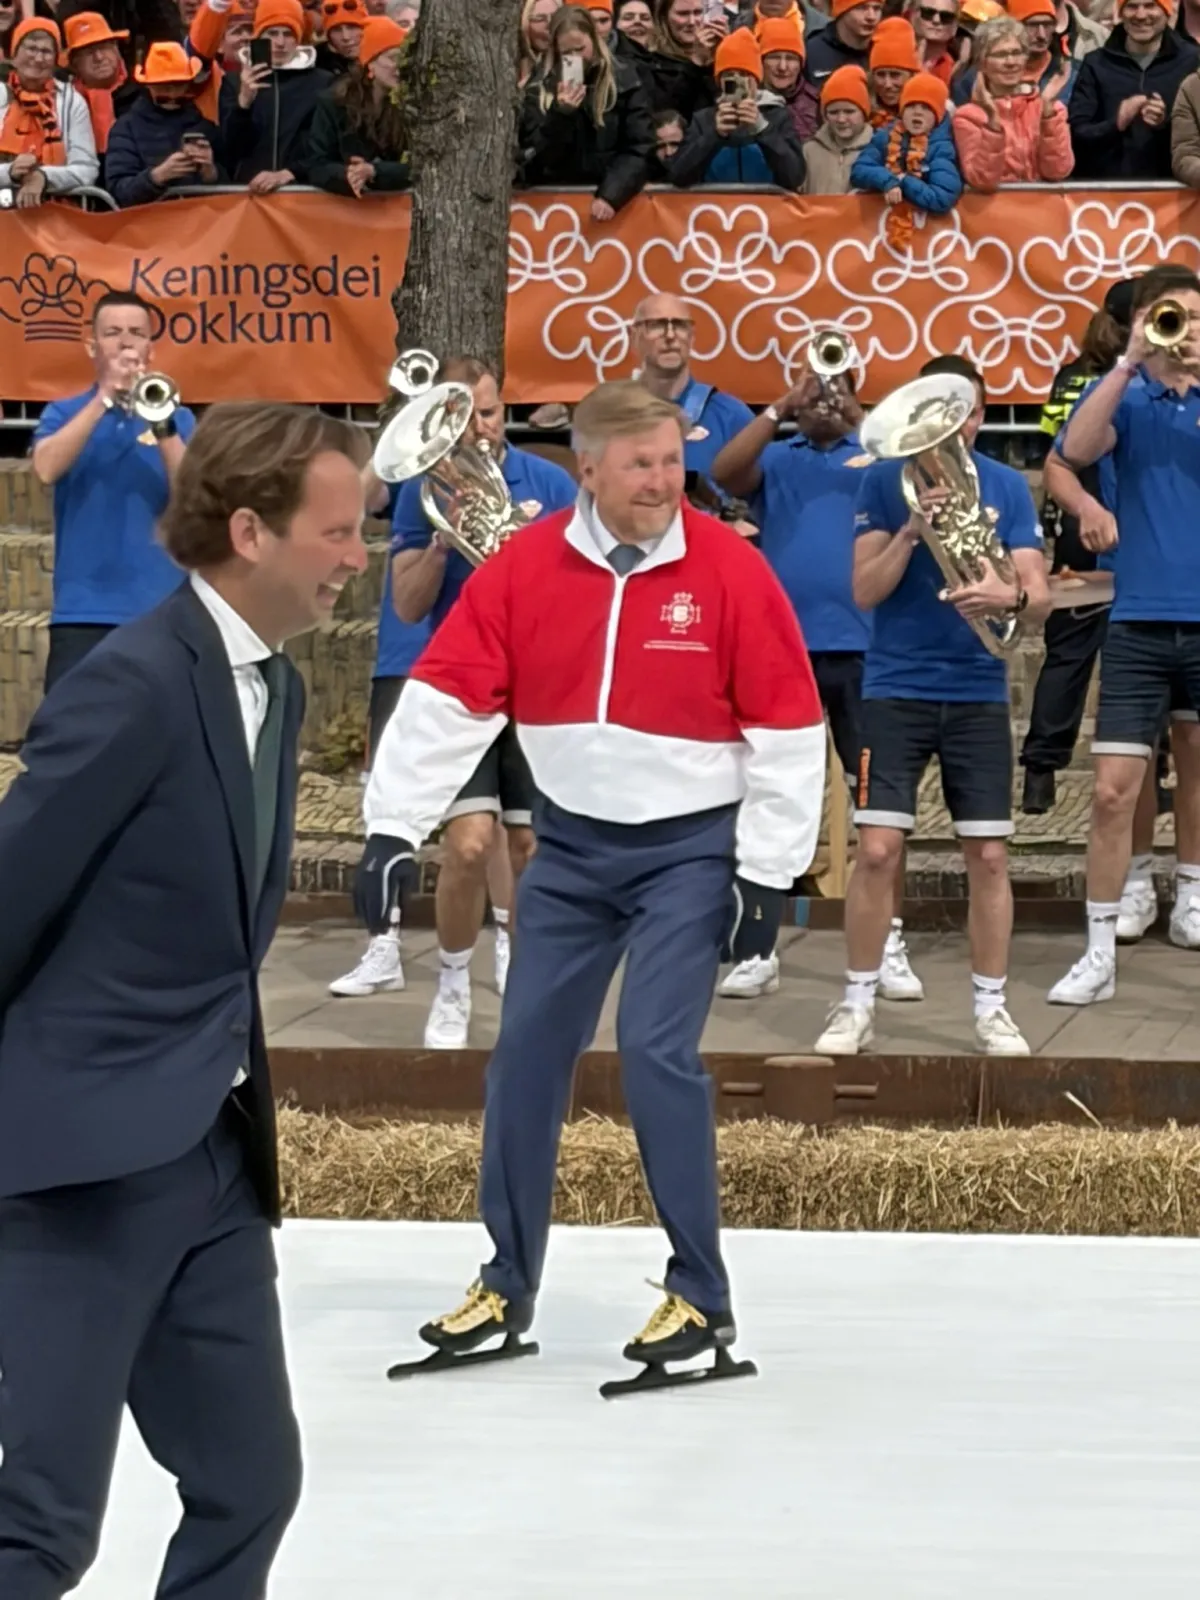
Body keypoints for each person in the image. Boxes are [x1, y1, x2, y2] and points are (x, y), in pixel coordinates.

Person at [357, 381, 826, 1389]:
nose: (665, 482)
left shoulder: (732, 570)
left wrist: (767, 873)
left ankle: (701, 1293)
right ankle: (505, 1283)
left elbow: (789, 726)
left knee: (655, 1051)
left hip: (690, 853)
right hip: (569, 856)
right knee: (523, 1053)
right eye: (643, 465)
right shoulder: (525, 567)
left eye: (672, 461)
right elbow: (445, 699)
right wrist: (390, 827)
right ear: (590, 470)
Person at [0, 402, 371, 1599]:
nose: (357, 556)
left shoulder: (273, 689)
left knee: (249, 1486)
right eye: (339, 532)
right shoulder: (137, 684)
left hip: (209, 1151)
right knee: (41, 1528)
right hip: (81, 1165)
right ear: (251, 531)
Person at [817, 353, 1050, 1057]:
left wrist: (1005, 595)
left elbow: (1037, 596)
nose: (963, 427)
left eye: (972, 413)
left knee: (987, 857)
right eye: (950, 415)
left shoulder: (1007, 487)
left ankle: (991, 1008)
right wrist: (915, 530)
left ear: (980, 416)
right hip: (894, 688)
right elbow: (864, 591)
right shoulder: (885, 485)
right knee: (879, 850)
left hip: (977, 690)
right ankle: (857, 1002)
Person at [711, 355, 925, 1003]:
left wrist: (860, 422)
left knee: (878, 804)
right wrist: (781, 405)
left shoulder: (879, 453)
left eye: (834, 383)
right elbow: (721, 471)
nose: (823, 396)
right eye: (813, 385)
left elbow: (910, 470)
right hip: (787, 656)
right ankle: (756, 945)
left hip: (866, 655)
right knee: (774, 799)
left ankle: (887, 941)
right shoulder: (779, 456)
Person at [383, 358, 577, 1047]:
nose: (479, 429)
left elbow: (588, 594)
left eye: (489, 414)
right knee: (468, 847)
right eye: (463, 418)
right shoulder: (423, 492)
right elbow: (408, 606)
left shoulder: (550, 483)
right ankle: (454, 980)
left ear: (505, 412)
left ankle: (526, 990)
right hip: (462, 687)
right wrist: (441, 543)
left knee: (527, 849)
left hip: (537, 687)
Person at [1048, 265, 1200, 1004]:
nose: (1187, 331)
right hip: (1139, 617)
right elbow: (1072, 451)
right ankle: (1101, 947)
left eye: (1196, 319)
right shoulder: (1127, 394)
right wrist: (1132, 359)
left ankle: (1194, 888)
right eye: (1174, 318)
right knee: (1112, 791)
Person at [31, 292, 196, 693]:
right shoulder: (63, 411)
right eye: (113, 333)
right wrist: (105, 396)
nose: (126, 343)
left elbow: (191, 494)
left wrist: (162, 422)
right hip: (83, 613)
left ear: (150, 349)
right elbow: (46, 468)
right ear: (92, 346)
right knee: (75, 740)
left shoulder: (179, 418)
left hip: (162, 611)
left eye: (137, 333)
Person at [1020, 278, 1133, 816]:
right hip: (1098, 519)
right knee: (1112, 653)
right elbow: (1066, 451)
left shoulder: (1071, 372)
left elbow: (1048, 434)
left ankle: (1041, 772)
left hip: (1078, 521)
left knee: (1072, 654)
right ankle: (1146, 768)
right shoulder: (1113, 381)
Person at [519, 4, 655, 219]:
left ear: (593, 39)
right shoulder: (539, 89)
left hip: (612, 201)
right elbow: (536, 158)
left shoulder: (624, 78)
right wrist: (560, 115)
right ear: (555, 50)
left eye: (580, 49)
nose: (576, 58)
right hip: (555, 206)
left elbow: (640, 146)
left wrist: (612, 194)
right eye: (567, 53)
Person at [629, 291, 754, 517]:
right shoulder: (611, 416)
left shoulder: (733, 417)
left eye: (679, 325)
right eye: (657, 325)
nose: (670, 335)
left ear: (692, 336)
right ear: (634, 335)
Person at [1068, 0, 1197, 182]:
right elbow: (1076, 136)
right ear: (1120, 12)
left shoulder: (1192, 61)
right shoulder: (1096, 64)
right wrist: (1116, 123)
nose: (1141, 15)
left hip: (1175, 199)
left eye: (1150, 5)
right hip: (1106, 198)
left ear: (1167, 11)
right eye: (1132, 6)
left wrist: (1164, 122)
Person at [671, 28, 807, 186]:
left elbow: (795, 176)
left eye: (744, 75)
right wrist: (714, 135)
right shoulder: (704, 119)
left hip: (766, 209)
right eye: (729, 76)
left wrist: (762, 130)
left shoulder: (778, 116)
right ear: (719, 81)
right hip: (716, 208)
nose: (737, 82)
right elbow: (678, 175)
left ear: (757, 80)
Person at [219, 0, 332, 190]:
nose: (280, 43)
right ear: (259, 37)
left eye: (288, 34)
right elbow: (230, 150)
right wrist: (243, 104)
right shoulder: (234, 81)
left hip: (304, 193)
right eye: (272, 33)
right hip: (247, 193)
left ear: (298, 39)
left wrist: (291, 173)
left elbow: (326, 145)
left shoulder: (322, 82)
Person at [950, 14, 1073, 186]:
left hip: (1043, 210)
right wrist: (992, 121)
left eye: (1017, 53)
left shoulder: (1050, 109)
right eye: (1000, 55)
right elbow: (982, 179)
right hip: (994, 211)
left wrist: (1048, 111)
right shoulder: (968, 117)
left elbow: (1058, 170)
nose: (1011, 62)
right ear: (982, 63)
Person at [105, 41, 225, 206]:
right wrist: (157, 177)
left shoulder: (204, 126)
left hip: (201, 224)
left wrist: (210, 173)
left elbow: (231, 184)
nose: (172, 93)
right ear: (148, 86)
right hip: (149, 226)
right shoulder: (125, 129)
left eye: (178, 85)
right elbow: (118, 190)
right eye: (163, 87)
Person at [850, 71, 962, 249]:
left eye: (926, 107)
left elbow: (942, 198)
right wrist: (888, 181)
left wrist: (904, 183)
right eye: (911, 106)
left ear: (938, 115)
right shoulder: (885, 136)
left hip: (927, 244)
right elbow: (859, 170)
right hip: (879, 239)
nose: (917, 112)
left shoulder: (942, 147)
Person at [0, 18, 99, 206]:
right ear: (14, 55)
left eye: (46, 51)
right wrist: (10, 173)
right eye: (31, 48)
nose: (38, 58)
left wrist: (44, 177)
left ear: (55, 60)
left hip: (56, 216)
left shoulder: (71, 102)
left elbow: (87, 169)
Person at [307, 13, 410, 194]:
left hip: (394, 211)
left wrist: (375, 171)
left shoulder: (411, 105)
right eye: (393, 58)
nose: (400, 66)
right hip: (343, 210)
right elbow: (316, 164)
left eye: (404, 59)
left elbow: (421, 166)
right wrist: (349, 175)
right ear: (370, 63)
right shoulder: (334, 103)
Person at [802, 62, 873, 190]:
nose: (841, 119)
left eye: (849, 112)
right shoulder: (809, 151)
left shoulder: (878, 149)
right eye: (833, 112)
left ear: (864, 113)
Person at [805, 0, 883, 86]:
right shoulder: (811, 51)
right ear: (843, 10)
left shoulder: (883, 51)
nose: (871, 17)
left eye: (877, 8)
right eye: (861, 8)